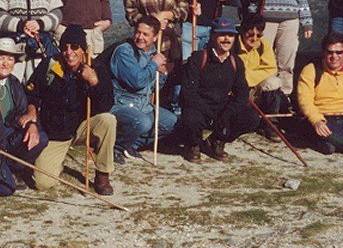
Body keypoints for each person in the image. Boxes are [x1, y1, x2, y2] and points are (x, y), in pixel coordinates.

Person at [28, 25, 117, 196]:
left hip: (82, 128)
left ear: (83, 49)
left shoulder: (96, 68)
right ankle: (58, 162)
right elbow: (31, 93)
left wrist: (93, 82)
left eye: (74, 47)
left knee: (108, 120)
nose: (69, 52)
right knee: (42, 183)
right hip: (56, 134)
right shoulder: (50, 66)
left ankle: (103, 174)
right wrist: (32, 112)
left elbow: (106, 104)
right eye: (65, 47)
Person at [175, 18, 261, 163]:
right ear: (213, 36)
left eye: (231, 35)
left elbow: (242, 94)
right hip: (199, 107)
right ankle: (193, 144)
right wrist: (211, 114)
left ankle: (216, 141)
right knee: (191, 119)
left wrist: (227, 114)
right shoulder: (198, 58)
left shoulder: (236, 62)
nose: (227, 39)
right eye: (222, 34)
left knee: (251, 117)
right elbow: (188, 93)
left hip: (221, 107)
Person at [0, 39, 49, 197]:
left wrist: (32, 124)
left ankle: (15, 169)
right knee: (6, 189)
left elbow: (22, 110)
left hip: (9, 135)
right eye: (1, 58)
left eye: (10, 58)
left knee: (40, 138)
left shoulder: (14, 83)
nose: (6, 63)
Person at [107, 16, 177, 163]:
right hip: (121, 106)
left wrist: (162, 73)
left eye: (146, 34)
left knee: (171, 122)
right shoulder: (124, 52)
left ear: (155, 37)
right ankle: (116, 147)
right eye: (138, 32)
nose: (140, 37)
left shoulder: (153, 54)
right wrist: (153, 65)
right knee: (142, 122)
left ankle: (131, 144)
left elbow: (154, 87)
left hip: (143, 106)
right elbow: (136, 81)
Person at [235, 16, 285, 140]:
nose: (255, 39)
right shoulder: (233, 45)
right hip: (234, 90)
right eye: (251, 34)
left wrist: (248, 78)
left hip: (254, 88)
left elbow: (271, 69)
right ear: (242, 31)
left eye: (259, 35)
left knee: (274, 82)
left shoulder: (263, 45)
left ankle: (270, 124)